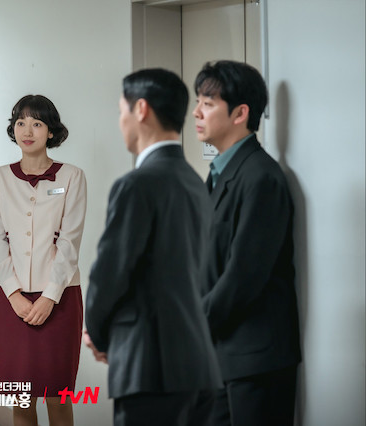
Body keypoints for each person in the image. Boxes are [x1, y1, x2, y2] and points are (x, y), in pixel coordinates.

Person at [84, 68, 222, 426]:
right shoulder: (196, 183)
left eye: (121, 111)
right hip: (198, 366)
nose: (120, 122)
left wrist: (98, 335)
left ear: (141, 109)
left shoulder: (136, 185)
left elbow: (109, 273)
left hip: (150, 368)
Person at [193, 60, 301, 426]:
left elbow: (243, 277)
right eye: (198, 101)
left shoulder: (261, 177)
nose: (196, 112)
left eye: (208, 103)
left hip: (256, 361)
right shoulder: (220, 173)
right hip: (222, 355)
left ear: (240, 113)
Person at [0, 94, 87, 426]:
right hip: (10, 302)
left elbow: (70, 242)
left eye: (37, 123)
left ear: (51, 131)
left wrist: (49, 297)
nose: (27, 131)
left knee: (59, 399)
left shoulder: (72, 177)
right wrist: (14, 295)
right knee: (20, 401)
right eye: (21, 123)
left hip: (60, 300)